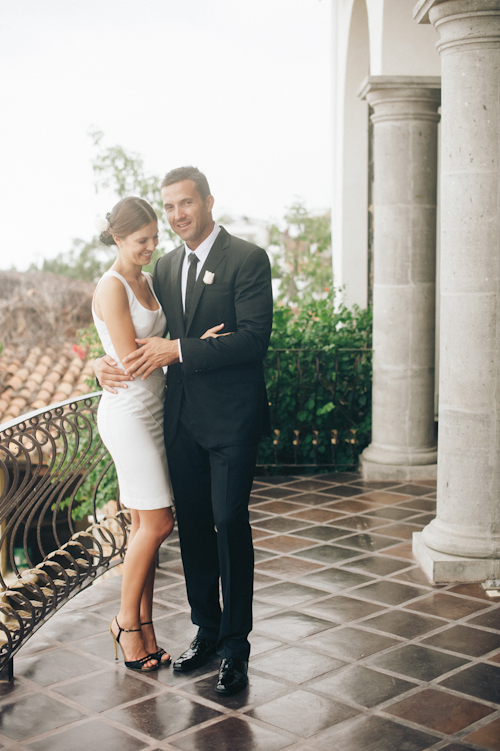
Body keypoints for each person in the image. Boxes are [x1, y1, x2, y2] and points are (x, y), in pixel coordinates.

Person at [95, 167, 273, 694]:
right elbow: (124, 332)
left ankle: (236, 648)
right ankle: (207, 630)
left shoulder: (247, 258)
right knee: (192, 528)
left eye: (186, 204)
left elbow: (253, 341)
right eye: (169, 207)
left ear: (208, 202)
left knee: (228, 523)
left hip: (232, 422)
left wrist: (182, 349)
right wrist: (99, 366)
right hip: (178, 422)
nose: (177, 216)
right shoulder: (164, 268)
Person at [93, 196, 222, 673]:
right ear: (118, 238)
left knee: (143, 525)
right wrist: (191, 347)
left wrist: (184, 346)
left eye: (154, 237)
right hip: (127, 413)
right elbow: (130, 359)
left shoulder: (147, 280)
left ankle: (145, 625)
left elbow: (154, 345)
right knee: (160, 523)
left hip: (156, 409)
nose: (151, 246)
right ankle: (125, 623)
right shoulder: (111, 286)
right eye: (141, 239)